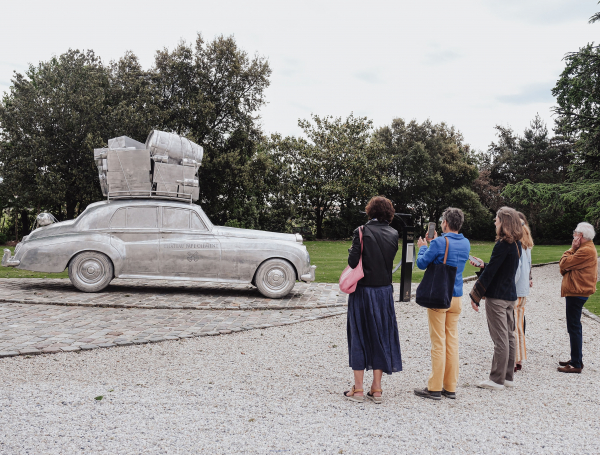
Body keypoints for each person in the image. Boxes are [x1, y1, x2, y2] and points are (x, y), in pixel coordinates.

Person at [344, 196, 402, 403]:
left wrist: (352, 250)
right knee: (381, 336)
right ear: (388, 213)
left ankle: (358, 390)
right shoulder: (394, 233)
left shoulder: (361, 231)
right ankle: (376, 389)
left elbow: (352, 263)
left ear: (370, 211)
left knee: (359, 334)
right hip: (384, 292)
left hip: (362, 291)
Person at [413, 207, 471, 401]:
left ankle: (435, 387)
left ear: (445, 222)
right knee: (452, 341)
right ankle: (450, 386)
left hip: (440, 296)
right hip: (456, 296)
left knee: (438, 342)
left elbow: (421, 263)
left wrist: (423, 246)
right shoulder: (465, 243)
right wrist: (434, 243)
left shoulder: (438, 242)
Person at [469, 207, 522, 390]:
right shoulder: (516, 244)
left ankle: (496, 379)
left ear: (504, 221)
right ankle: (508, 377)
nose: (495, 221)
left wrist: (475, 294)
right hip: (509, 296)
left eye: (497, 219)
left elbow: (492, 273)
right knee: (509, 337)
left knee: (500, 338)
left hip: (498, 298)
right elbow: (500, 268)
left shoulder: (502, 244)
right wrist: (484, 264)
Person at [557, 222, 598, 373]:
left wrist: (571, 249)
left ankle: (576, 363)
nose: (573, 235)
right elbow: (564, 267)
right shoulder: (584, 249)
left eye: (575, 233)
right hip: (577, 291)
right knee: (574, 326)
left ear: (580, 236)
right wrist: (567, 265)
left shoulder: (584, 250)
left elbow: (563, 263)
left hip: (577, 291)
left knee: (573, 327)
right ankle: (576, 358)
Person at [514, 212, 533, 372]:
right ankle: (519, 358)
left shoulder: (517, 245)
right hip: (523, 290)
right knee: (519, 326)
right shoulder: (527, 245)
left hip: (516, 290)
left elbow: (517, 272)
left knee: (512, 326)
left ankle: (513, 359)